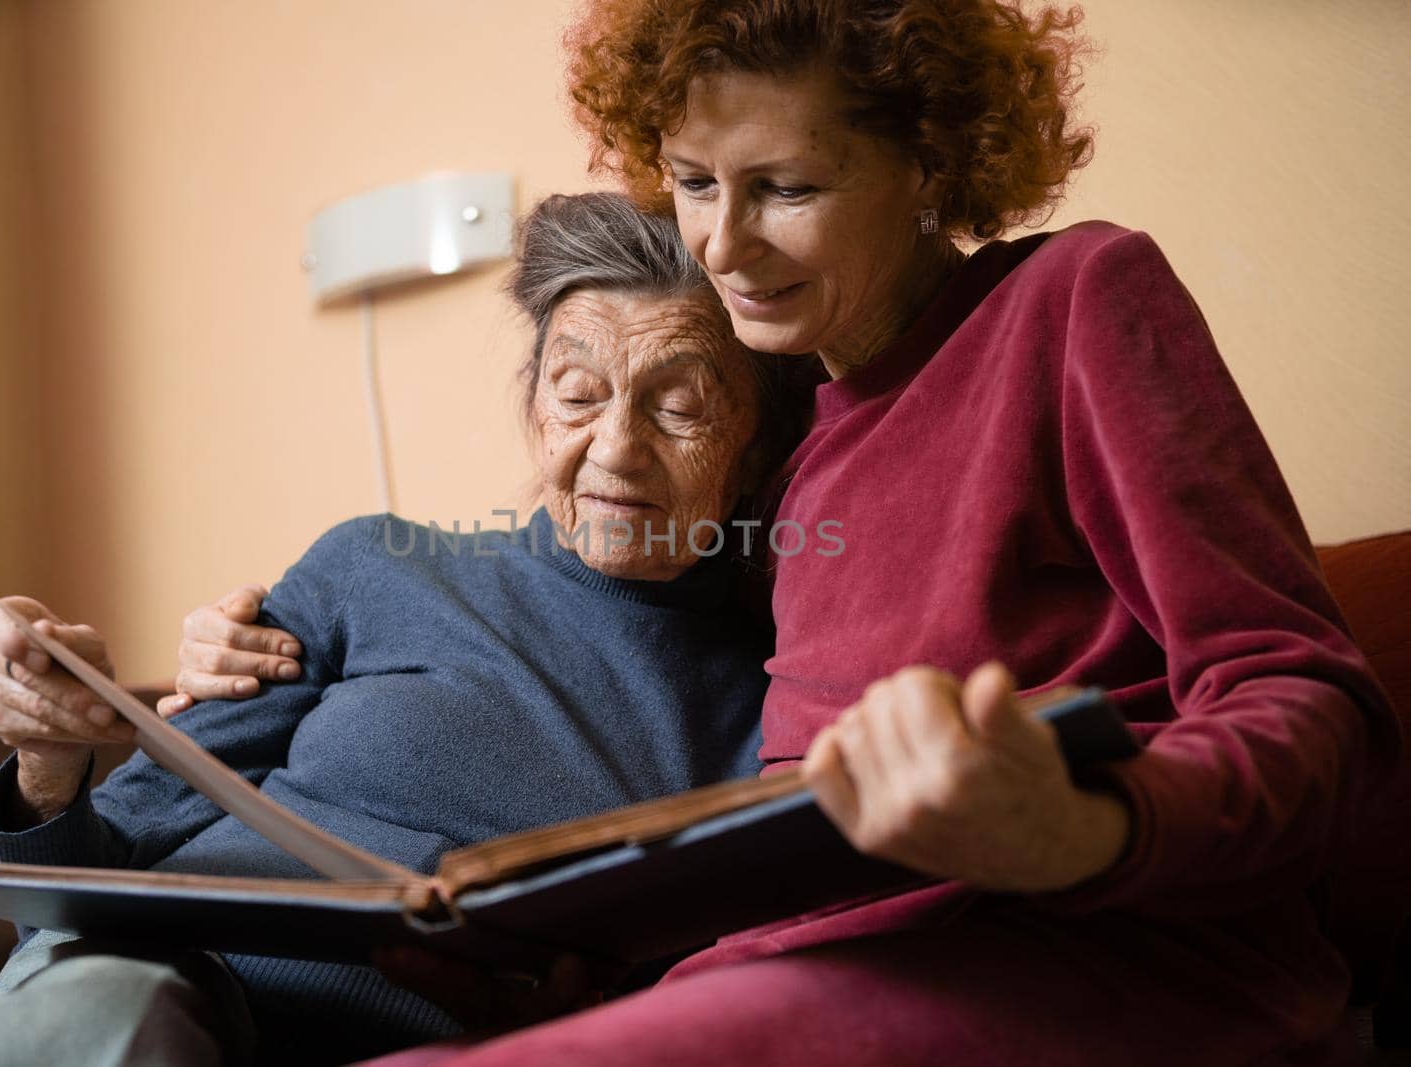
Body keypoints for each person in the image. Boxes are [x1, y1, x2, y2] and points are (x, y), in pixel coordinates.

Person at [268, 2, 1388, 1063]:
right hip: (799, 964)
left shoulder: (1069, 300)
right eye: (694, 181)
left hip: (1103, 958)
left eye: (786, 187)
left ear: (929, 166)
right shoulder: (778, 433)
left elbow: (1306, 695)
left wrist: (1084, 824)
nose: (721, 244)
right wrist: (260, 646)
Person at [0, 192, 813, 1067]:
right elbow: (79, 898)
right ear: (533, 406)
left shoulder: (774, 708)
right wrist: (49, 761)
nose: (615, 447)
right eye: (577, 394)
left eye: (679, 407)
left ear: (758, 450)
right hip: (159, 985)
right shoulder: (374, 566)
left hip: (425, 1041)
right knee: (112, 1019)